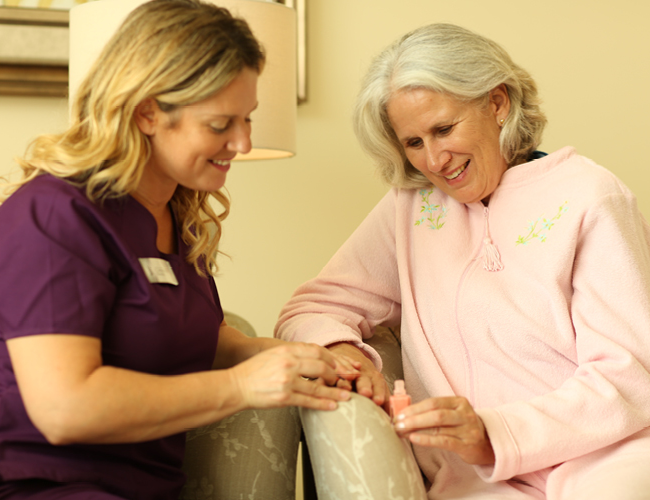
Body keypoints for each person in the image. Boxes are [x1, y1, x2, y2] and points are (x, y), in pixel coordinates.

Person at [0, 1, 358, 499]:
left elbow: (187, 329)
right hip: (33, 487)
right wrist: (245, 384)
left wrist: (270, 353)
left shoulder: (174, 211)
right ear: (146, 113)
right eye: (221, 124)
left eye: (248, 119)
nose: (244, 144)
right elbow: (64, 409)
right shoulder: (55, 217)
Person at [275, 23, 650, 499]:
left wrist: (493, 432)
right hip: (470, 480)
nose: (433, 160)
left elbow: (630, 373)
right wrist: (343, 351)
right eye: (413, 143)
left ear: (497, 103)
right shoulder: (410, 206)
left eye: (443, 129)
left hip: (604, 462)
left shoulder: (590, 196)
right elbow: (310, 308)